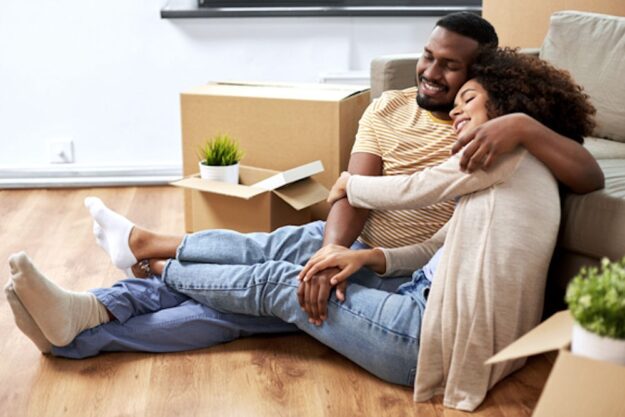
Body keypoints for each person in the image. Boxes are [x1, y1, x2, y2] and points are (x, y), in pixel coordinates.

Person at [5, 12, 602, 359]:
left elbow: (584, 172)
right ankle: (90, 310)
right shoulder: (388, 106)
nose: (431, 71)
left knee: (252, 297)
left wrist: (516, 124)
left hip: (403, 274)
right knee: (269, 261)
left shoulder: (491, 135)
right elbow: (353, 192)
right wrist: (331, 250)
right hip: (363, 245)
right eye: (428, 56)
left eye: (451, 66)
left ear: (483, 75)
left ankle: (125, 281)